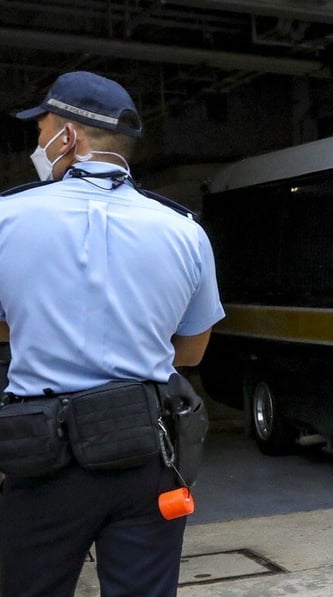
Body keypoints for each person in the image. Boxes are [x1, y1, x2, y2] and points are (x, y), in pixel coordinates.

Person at [0, 71, 225, 595]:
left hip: (42, 458)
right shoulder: (185, 230)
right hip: (146, 450)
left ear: (68, 136)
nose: (38, 144)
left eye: (42, 131)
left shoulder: (7, 219)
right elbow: (192, 349)